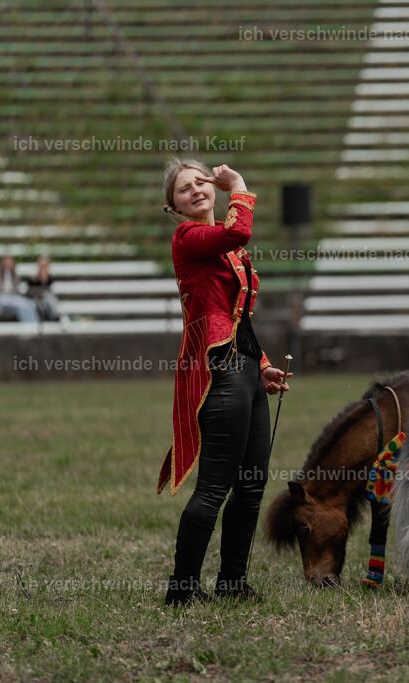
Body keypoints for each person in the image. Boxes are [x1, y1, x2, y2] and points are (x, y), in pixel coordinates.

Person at [157, 158, 292, 606]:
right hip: (220, 370)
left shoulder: (229, 249)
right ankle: (182, 589)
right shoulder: (188, 237)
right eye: (184, 189)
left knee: (251, 484)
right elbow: (239, 231)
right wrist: (240, 186)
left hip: (246, 369)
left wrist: (263, 365)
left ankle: (232, 582)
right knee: (214, 487)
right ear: (174, 206)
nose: (196, 190)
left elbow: (239, 317)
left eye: (201, 182)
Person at [0, 254, 39, 322]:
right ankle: (29, 325)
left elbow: (17, 291)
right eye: (6, 261)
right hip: (0, 298)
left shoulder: (15, 276)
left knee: (29, 304)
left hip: (13, 298)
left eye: (10, 261)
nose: (8, 263)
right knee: (20, 304)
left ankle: (33, 324)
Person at [25, 255, 69, 327]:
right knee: (46, 297)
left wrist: (44, 279)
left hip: (47, 305)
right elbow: (29, 293)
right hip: (37, 303)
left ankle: (58, 317)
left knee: (48, 297)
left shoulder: (50, 278)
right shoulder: (32, 279)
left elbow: (51, 291)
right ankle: (59, 317)